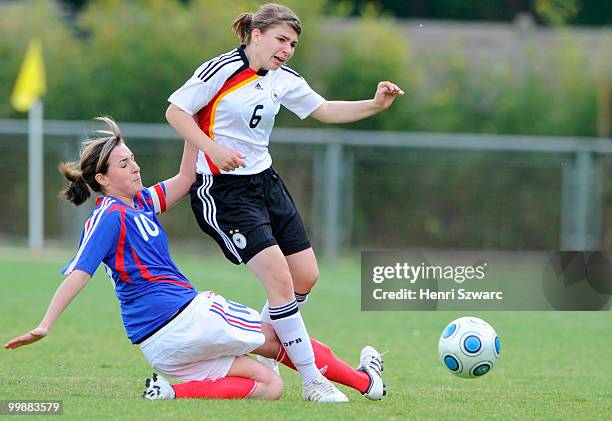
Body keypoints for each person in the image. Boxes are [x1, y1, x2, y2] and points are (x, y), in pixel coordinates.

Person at [3, 116, 385, 403]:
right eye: (123, 164)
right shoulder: (109, 215)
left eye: (133, 159)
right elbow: (80, 273)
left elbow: (187, 178)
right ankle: (366, 382)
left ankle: (171, 392)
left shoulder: (140, 204)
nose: (135, 167)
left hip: (160, 349)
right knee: (283, 336)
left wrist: (194, 121)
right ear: (102, 179)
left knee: (269, 385)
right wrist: (45, 325)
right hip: (185, 318)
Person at [165, 2, 403, 396]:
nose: (287, 49)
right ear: (255, 35)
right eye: (281, 40)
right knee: (279, 280)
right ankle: (313, 380)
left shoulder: (282, 77)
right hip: (223, 191)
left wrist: (374, 104)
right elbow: (176, 112)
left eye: (292, 43)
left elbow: (324, 109)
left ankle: (264, 349)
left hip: (267, 184)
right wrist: (213, 149)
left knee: (305, 276)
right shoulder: (221, 70)